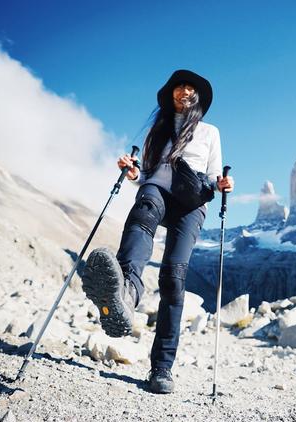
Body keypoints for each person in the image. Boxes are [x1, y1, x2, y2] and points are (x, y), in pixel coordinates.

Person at [81, 70, 234, 394]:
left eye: (190, 88)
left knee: (173, 278)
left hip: (192, 202)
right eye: (179, 86)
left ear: (198, 98)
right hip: (158, 189)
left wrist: (222, 183)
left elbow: (213, 173)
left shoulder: (209, 132)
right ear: (172, 94)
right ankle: (125, 294)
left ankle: (161, 369)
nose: (184, 91)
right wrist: (134, 172)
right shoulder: (158, 130)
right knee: (143, 211)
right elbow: (147, 173)